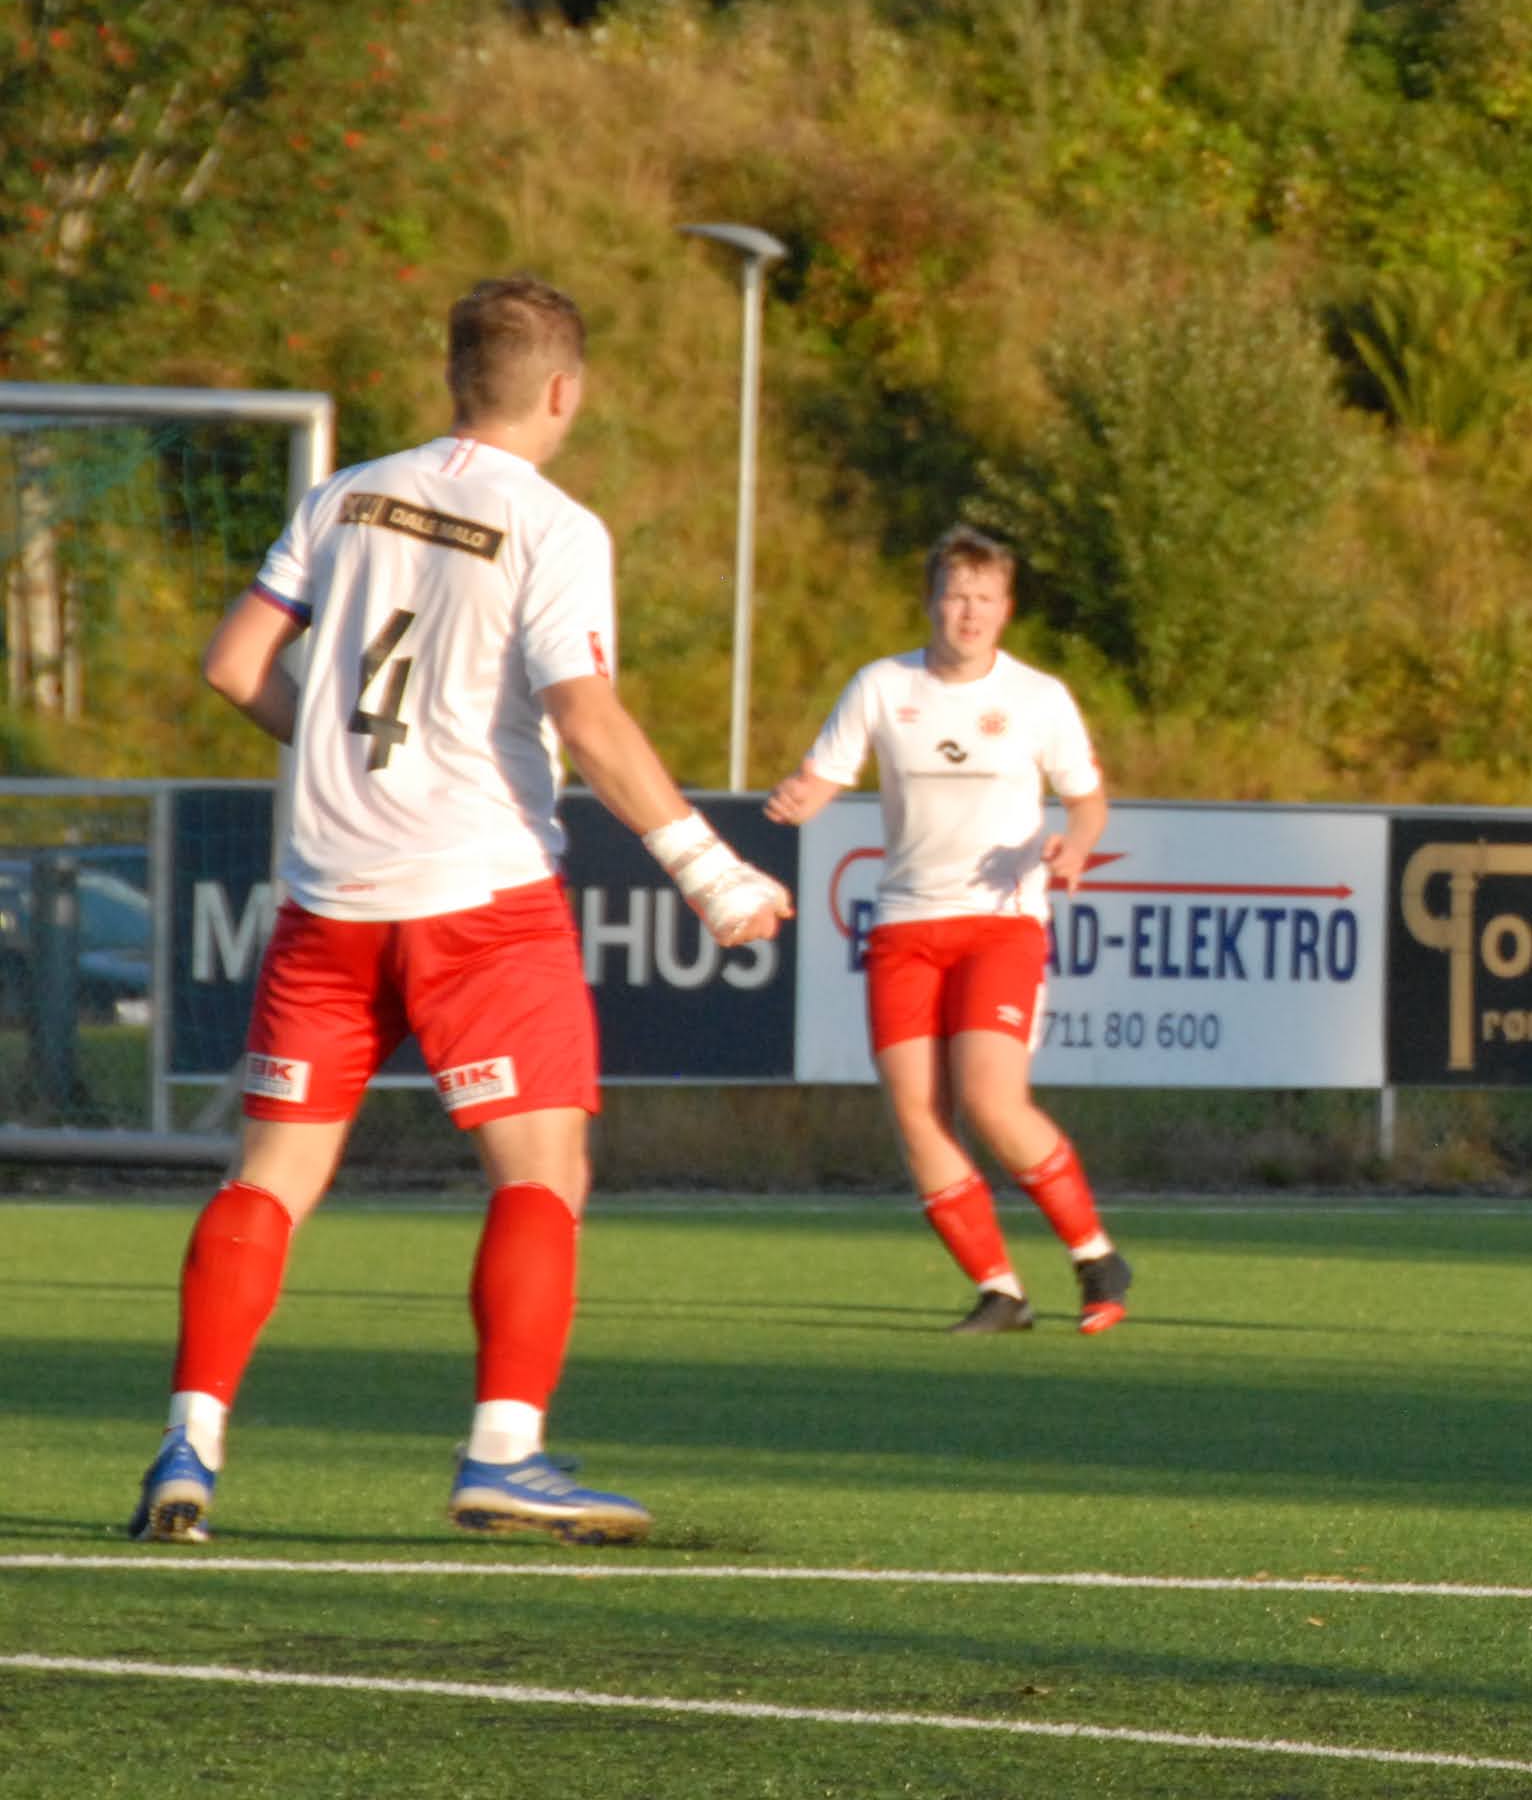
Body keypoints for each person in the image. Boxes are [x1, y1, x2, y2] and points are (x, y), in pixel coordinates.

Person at [132, 278, 794, 1546]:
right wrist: (709, 869)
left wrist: (334, 752)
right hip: (479, 898)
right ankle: (503, 1453)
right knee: (542, 1172)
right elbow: (584, 715)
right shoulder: (552, 524)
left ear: (454, 379)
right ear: (564, 391)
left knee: (269, 1179)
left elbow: (233, 665)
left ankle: (189, 1444)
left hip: (328, 897)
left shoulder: (343, 495)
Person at [766, 528, 1127, 1336]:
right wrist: (798, 797)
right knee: (918, 1113)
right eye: (956, 595)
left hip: (1001, 924)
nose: (969, 612)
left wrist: (1077, 845)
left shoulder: (1038, 697)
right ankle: (1001, 1291)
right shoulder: (882, 685)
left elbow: (1088, 801)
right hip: (905, 926)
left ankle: (1096, 1256)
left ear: (1006, 609)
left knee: (989, 1100)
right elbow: (825, 775)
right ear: (931, 601)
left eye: (984, 598)